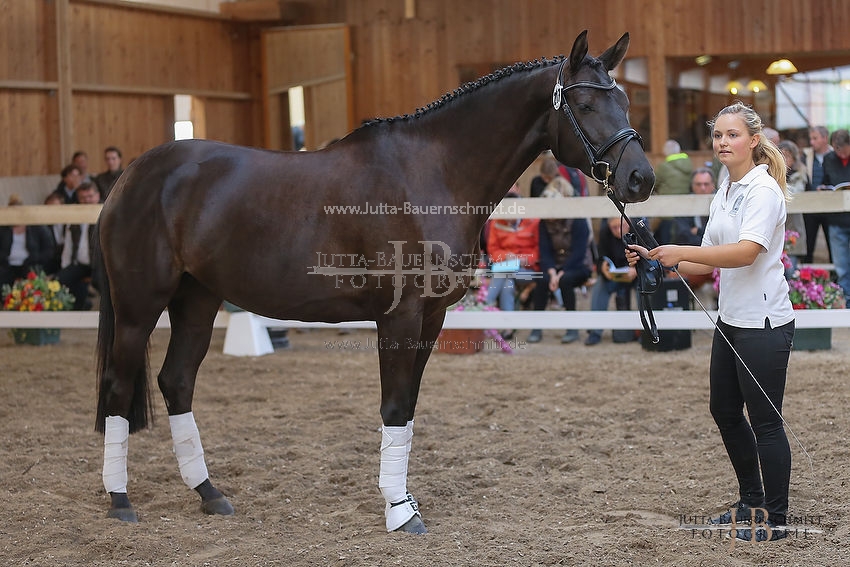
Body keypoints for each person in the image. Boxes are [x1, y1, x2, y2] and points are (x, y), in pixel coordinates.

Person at [627, 102, 795, 542]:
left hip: (764, 321)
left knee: (766, 422)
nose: (723, 142)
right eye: (718, 135)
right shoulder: (724, 188)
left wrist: (680, 250)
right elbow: (704, 267)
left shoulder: (763, 190)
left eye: (732, 135)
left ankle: (775, 520)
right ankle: (751, 500)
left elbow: (744, 253)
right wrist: (657, 257)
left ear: (753, 141)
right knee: (723, 409)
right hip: (730, 319)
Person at [527, 215, 592, 344]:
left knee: (566, 280)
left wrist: (561, 273)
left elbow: (579, 253)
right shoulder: (543, 223)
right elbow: (544, 251)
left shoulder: (578, 220)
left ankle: (572, 328)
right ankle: (536, 327)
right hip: (554, 266)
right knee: (542, 279)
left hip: (579, 265)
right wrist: (552, 273)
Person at [485, 191, 540, 340]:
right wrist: (506, 257)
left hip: (530, 272)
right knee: (507, 283)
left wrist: (523, 259)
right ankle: (508, 328)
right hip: (506, 269)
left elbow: (539, 250)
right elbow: (493, 250)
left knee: (504, 273)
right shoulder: (497, 224)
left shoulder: (533, 222)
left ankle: (484, 304)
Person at [584, 217, 638, 346]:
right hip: (615, 276)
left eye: (622, 226)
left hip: (637, 275)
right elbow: (601, 258)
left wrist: (637, 270)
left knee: (645, 287)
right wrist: (603, 268)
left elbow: (651, 257)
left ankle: (646, 332)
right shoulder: (605, 233)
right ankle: (595, 332)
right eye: (614, 227)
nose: (619, 230)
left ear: (628, 222)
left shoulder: (639, 230)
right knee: (600, 286)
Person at [818, 128, 850, 302]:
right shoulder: (829, 159)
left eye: (843, 150)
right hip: (836, 219)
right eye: (836, 149)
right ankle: (847, 301)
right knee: (841, 265)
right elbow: (826, 181)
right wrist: (823, 188)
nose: (840, 153)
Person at [58, 182, 101, 310]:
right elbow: (68, 245)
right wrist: (66, 267)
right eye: (83, 197)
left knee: (103, 283)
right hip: (80, 264)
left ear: (97, 196)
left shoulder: (106, 213)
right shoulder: (74, 215)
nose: (87, 200)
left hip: (100, 265)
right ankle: (79, 305)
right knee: (60, 279)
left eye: (90, 196)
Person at [0, 195, 55, 287]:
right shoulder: (2, 229)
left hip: (30, 264)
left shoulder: (37, 227)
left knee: (34, 281)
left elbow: (48, 250)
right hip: (6, 265)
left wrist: (35, 258)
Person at [777, 140, 809, 274]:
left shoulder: (800, 175)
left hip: (793, 228)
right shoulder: (770, 175)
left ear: (794, 159)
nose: (784, 159)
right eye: (781, 155)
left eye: (787, 156)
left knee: (790, 271)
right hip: (777, 229)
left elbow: (796, 193)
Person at [803, 125, 832, 263]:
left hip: (831, 207)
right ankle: (805, 281)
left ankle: (835, 282)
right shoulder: (806, 156)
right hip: (810, 207)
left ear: (825, 138)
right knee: (808, 245)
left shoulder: (834, 155)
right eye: (810, 138)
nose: (811, 142)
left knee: (833, 246)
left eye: (815, 138)